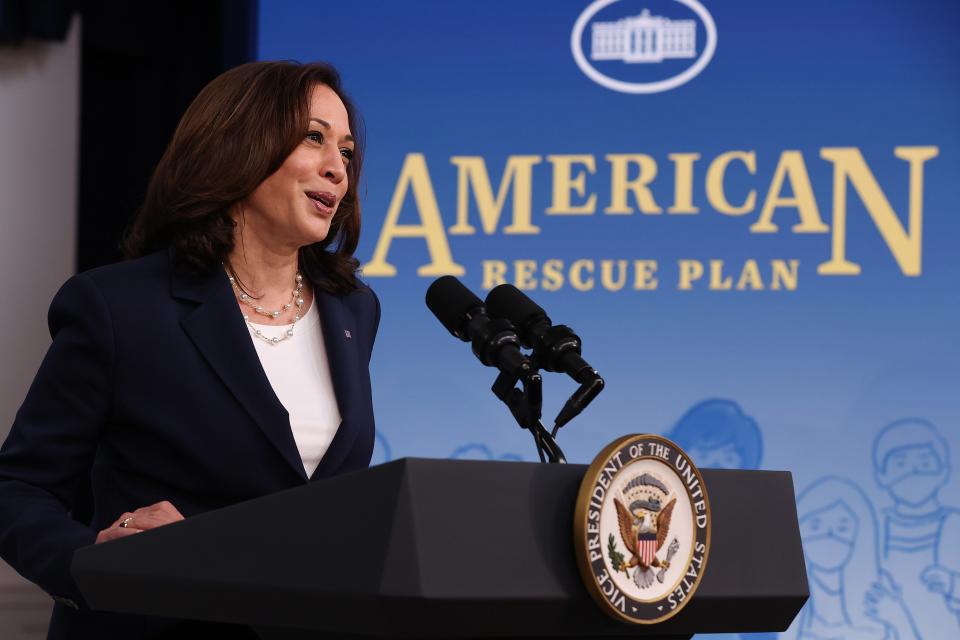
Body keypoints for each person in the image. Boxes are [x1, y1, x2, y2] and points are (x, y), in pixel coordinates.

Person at [0, 61, 379, 639]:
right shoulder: (120, 308)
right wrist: (95, 557)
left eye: (347, 152)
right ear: (240, 144)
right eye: (314, 138)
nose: (337, 168)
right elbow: (18, 487)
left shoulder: (353, 309)